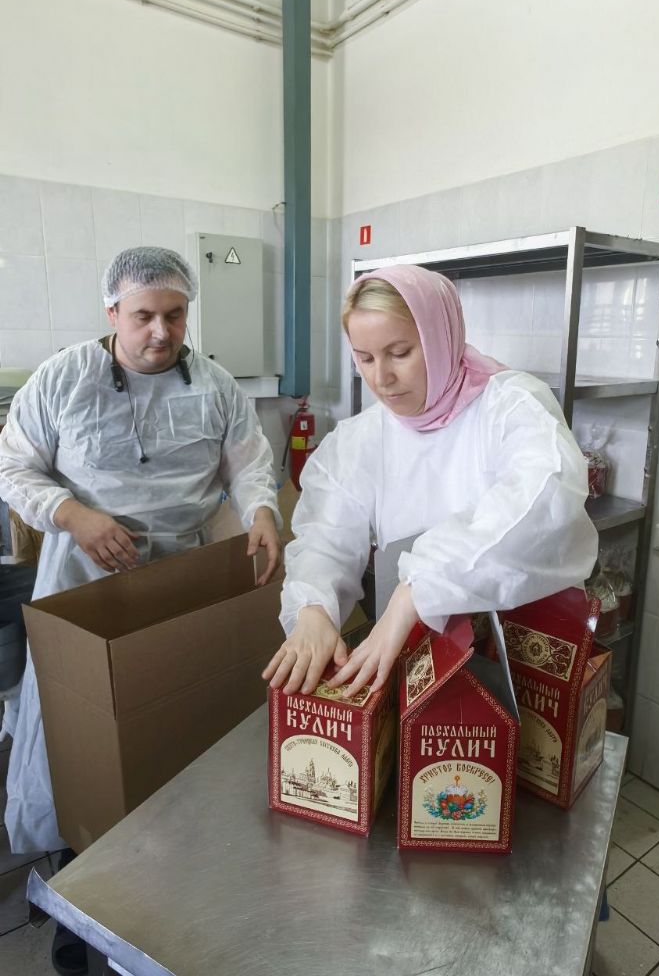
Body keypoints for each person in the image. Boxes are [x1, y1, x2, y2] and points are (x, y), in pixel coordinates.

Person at [0, 246, 282, 860]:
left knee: (172, 705)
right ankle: (76, 846)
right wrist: (73, 515)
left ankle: (176, 845)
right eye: (144, 316)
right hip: (84, 576)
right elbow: (13, 466)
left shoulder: (213, 384)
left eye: (175, 316)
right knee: (78, 717)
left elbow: (249, 461)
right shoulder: (64, 378)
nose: (161, 332)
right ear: (112, 313)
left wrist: (261, 510)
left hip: (182, 573)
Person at [264, 264, 598, 698]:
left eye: (400, 352)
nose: (381, 378)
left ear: (440, 339)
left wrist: (416, 590)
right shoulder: (362, 439)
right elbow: (326, 536)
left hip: (525, 657)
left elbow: (542, 502)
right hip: (421, 653)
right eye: (365, 358)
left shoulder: (511, 406)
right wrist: (312, 607)